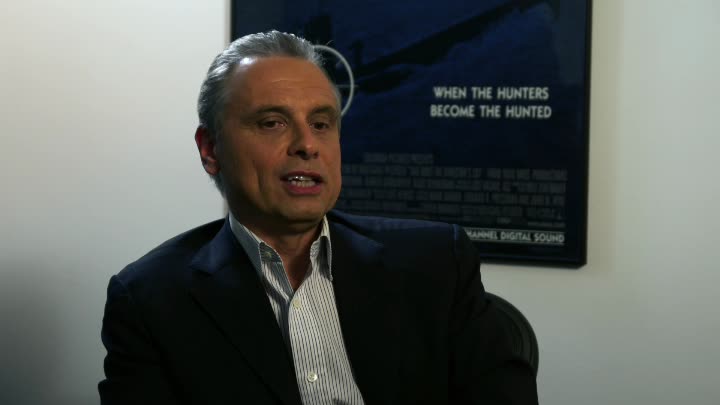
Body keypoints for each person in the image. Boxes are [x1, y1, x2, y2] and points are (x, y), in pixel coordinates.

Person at [99, 30, 537, 405]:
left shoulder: (438, 262)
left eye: (322, 124)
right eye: (272, 123)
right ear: (210, 149)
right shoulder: (150, 300)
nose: (307, 145)